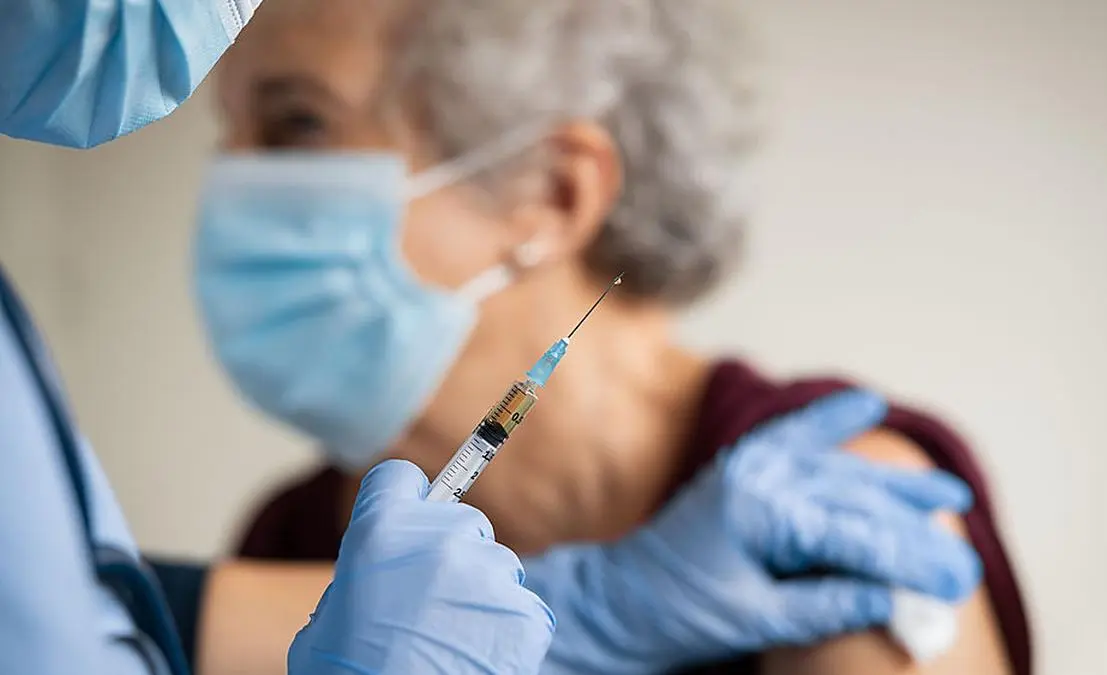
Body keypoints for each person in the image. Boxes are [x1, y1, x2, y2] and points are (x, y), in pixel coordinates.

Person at [0, 2, 991, 675]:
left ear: (554, 194)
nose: (231, 182)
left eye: (297, 126)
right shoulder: (306, 537)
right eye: (233, 132)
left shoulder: (825, 503)